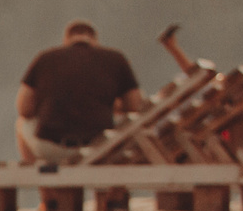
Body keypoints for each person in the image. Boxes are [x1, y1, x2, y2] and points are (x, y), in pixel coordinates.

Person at [15, 21, 146, 162]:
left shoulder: (45, 57)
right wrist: (111, 105)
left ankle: (42, 179)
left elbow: (24, 109)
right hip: (101, 146)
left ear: (66, 40)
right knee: (127, 120)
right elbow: (135, 105)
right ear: (95, 41)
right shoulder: (116, 58)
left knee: (21, 123)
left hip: (53, 148)